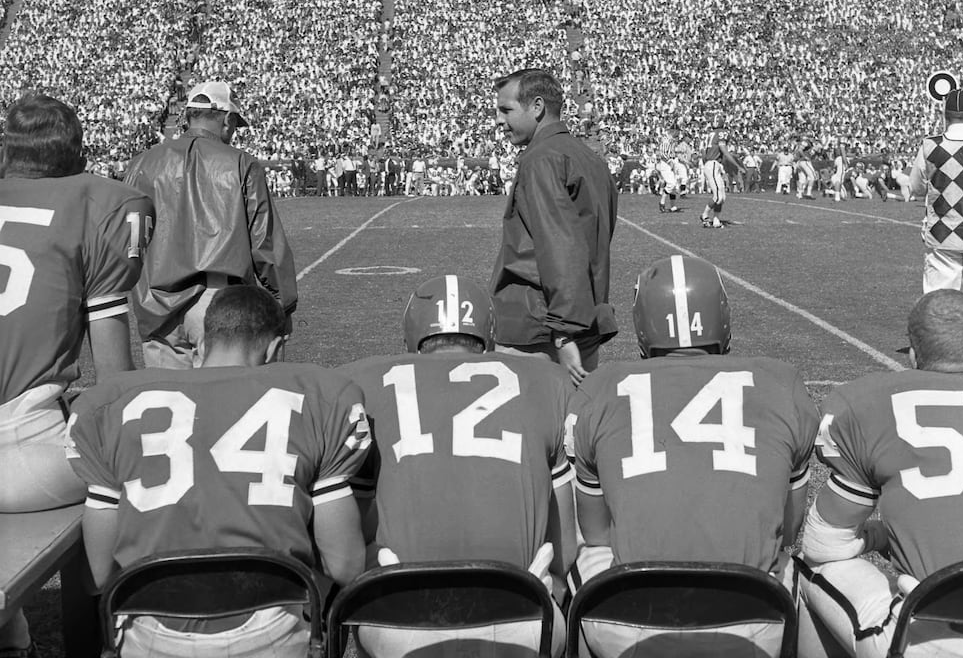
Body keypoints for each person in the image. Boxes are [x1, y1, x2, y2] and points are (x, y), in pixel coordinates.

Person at [65, 285, 370, 658]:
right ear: (274, 350)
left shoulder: (111, 404)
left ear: (201, 346)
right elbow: (346, 565)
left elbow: (98, 576)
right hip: (268, 630)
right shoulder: (322, 397)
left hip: (153, 635)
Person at [569, 254, 819, 658]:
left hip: (630, 618)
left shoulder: (599, 388)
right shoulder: (781, 382)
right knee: (806, 568)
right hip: (756, 617)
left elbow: (597, 534)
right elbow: (788, 531)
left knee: (583, 558)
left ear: (641, 325)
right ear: (723, 317)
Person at [343, 275, 575, 658]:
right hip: (521, 618)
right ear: (490, 338)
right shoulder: (546, 380)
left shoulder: (360, 382)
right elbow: (565, 549)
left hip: (405, 622)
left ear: (410, 340)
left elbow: (351, 532)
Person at [0, 94, 154, 658]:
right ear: (77, 151)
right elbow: (115, 377)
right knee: (127, 453)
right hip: (23, 459)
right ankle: (119, 623)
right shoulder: (101, 204)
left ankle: (13, 636)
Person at [796, 289, 963, 658]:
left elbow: (824, 546)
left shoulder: (866, 402)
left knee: (809, 569)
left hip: (936, 635)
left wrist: (881, 537)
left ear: (912, 354)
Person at [125, 81, 298, 369]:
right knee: (223, 406)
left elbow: (129, 241)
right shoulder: (240, 163)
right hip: (219, 302)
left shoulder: (142, 163)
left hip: (154, 301)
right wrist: (283, 304)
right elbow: (265, 245)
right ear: (227, 119)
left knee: (170, 406)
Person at [490, 68, 618, 384]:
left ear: (536, 107)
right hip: (580, 322)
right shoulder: (590, 157)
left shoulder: (541, 158)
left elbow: (561, 246)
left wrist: (563, 334)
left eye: (506, 109)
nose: (498, 119)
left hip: (540, 329)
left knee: (529, 428)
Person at [908, 88, 963, 298]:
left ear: (945, 114)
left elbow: (917, 188)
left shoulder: (931, 145)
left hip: (942, 234)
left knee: (940, 304)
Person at [700, 116, 744, 228]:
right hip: (713, 164)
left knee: (722, 197)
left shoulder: (710, 134)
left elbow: (704, 154)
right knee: (718, 197)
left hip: (712, 164)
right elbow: (724, 151)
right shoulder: (721, 133)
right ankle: (704, 215)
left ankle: (716, 221)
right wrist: (737, 165)